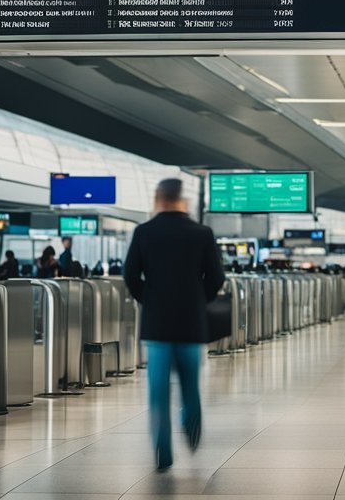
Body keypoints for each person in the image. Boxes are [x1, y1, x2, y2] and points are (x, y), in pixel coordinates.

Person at [123, 178, 225, 472]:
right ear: (183, 199)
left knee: (157, 390)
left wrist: (149, 299)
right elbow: (216, 278)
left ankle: (162, 449)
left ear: (159, 198)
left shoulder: (144, 232)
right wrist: (198, 300)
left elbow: (130, 275)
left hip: (157, 326)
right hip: (191, 325)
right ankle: (192, 431)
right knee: (190, 385)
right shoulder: (201, 233)